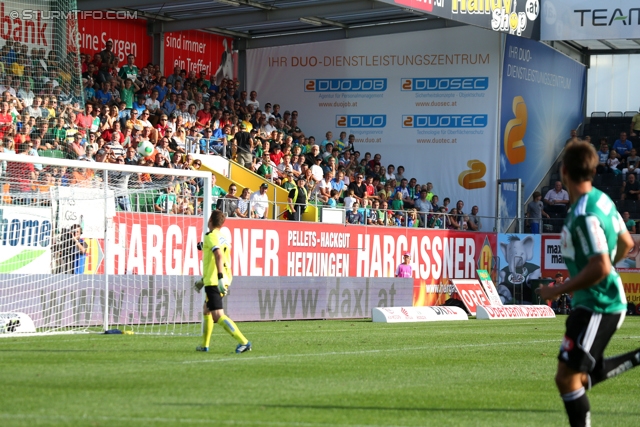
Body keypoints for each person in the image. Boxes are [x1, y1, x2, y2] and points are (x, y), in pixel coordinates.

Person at [538, 140, 640, 427]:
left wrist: (556, 289)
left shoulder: (583, 214)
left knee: (568, 379)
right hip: (596, 301)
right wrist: (606, 269)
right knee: (574, 377)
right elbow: (626, 243)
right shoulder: (603, 199)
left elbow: (600, 265)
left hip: (598, 304)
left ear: (564, 171)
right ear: (594, 170)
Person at [194, 210, 251, 353]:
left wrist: (218, 278)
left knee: (218, 315)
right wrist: (203, 279)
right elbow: (216, 259)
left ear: (210, 221)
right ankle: (204, 345)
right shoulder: (223, 237)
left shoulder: (211, 236)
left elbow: (218, 255)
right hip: (223, 277)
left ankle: (244, 342)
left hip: (215, 281)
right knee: (207, 310)